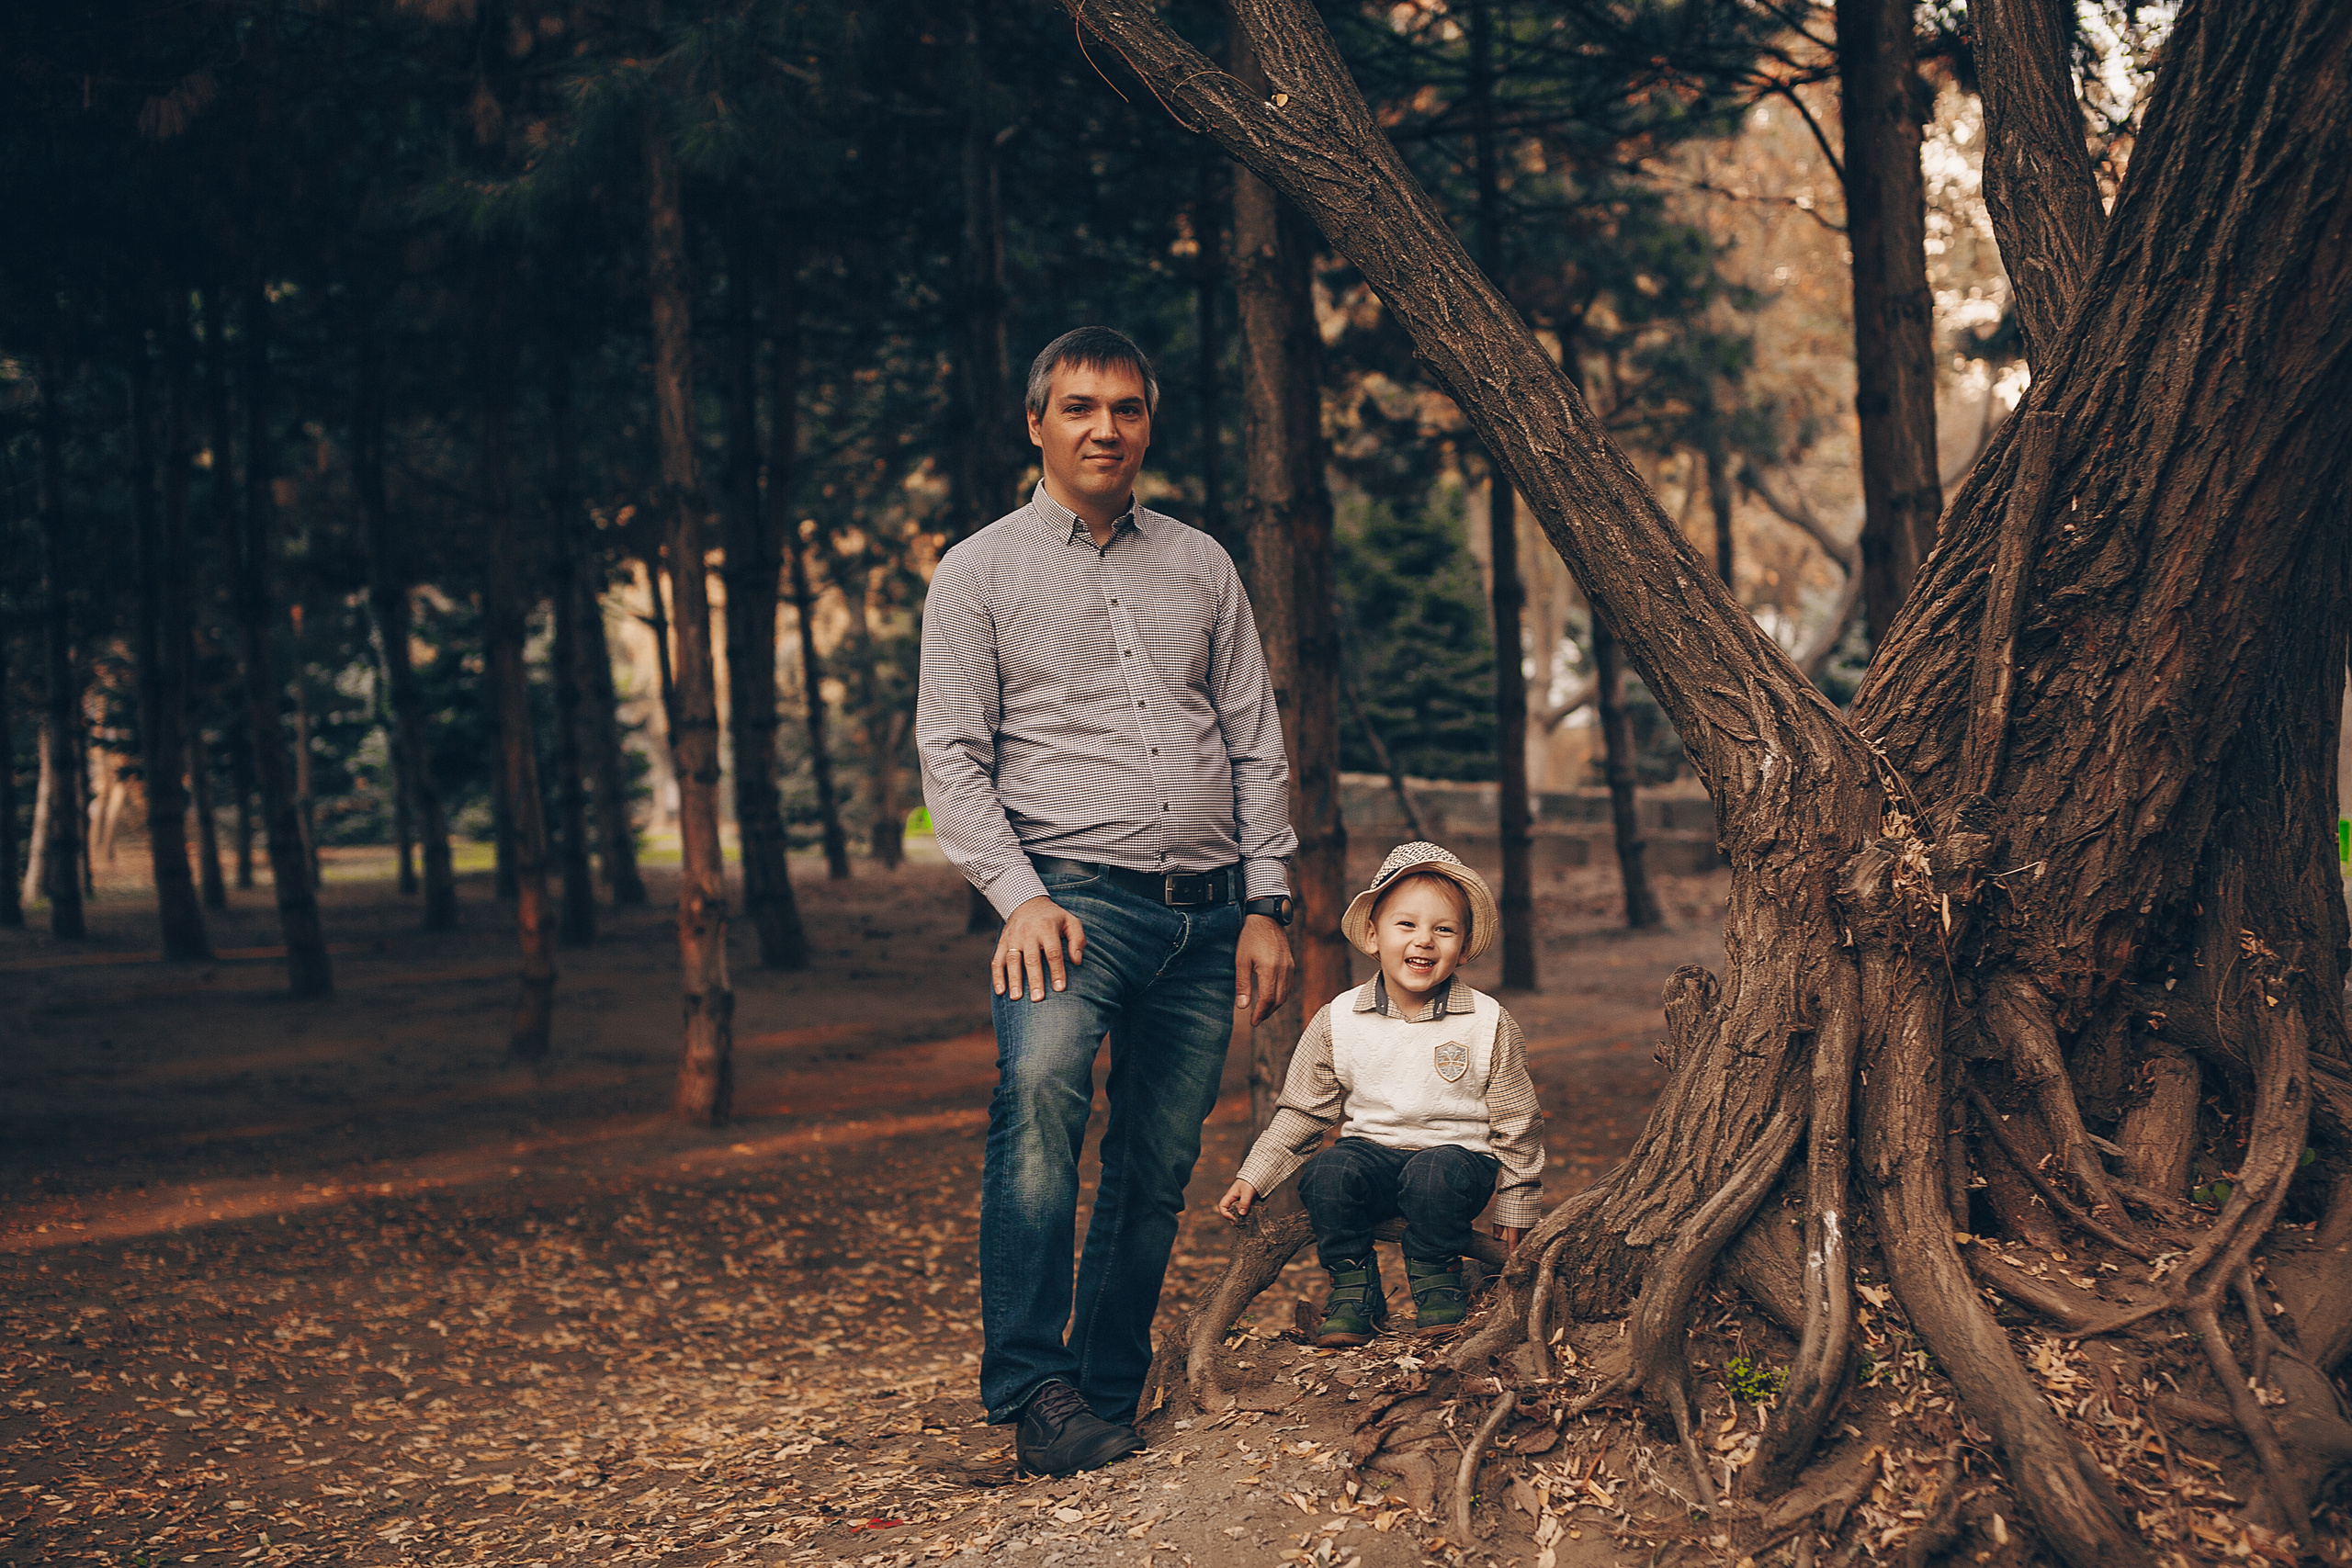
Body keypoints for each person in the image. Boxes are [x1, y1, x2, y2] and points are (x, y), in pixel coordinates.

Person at [917, 325, 1299, 1477]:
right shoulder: (976, 571)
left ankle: (1105, 1387)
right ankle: (1033, 1388)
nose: (1104, 428)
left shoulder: (1200, 565)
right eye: (1080, 407)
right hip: (1070, 908)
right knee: (1037, 1103)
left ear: (1148, 423)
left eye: (1125, 408)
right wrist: (1016, 895)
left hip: (1202, 918)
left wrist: (1268, 900)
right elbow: (950, 754)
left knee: (1156, 1159)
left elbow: (1252, 739)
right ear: (1037, 422)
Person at [1217, 842, 1545, 1347]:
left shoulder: (1487, 1021)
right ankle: (1354, 1289)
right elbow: (1303, 1110)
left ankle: (1438, 1277)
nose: (1425, 941)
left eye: (1444, 929)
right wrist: (1254, 1175)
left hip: (1458, 1163)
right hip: (1373, 1158)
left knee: (1432, 1175)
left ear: (1463, 944)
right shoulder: (1339, 1019)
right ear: (1373, 935)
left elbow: (1517, 1119)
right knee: (1329, 1172)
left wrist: (1516, 1201)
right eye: (1406, 925)